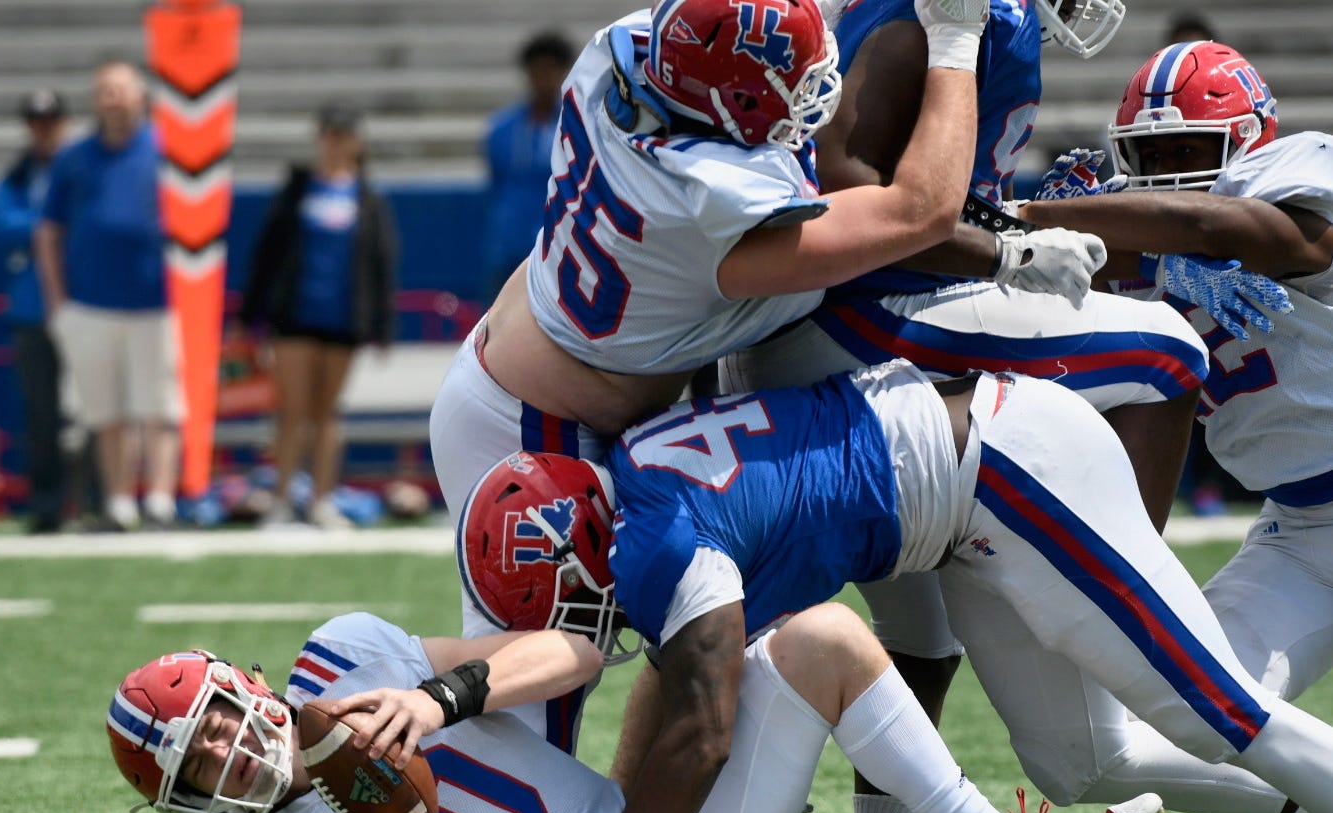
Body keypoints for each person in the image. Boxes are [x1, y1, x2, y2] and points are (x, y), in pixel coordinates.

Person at [707, 3, 1269, 813]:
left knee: (921, 643)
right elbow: (848, 180)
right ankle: (1132, 590)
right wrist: (1002, 245)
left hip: (841, 323)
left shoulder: (969, 21)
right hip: (862, 317)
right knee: (1170, 352)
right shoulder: (946, 22)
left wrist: (1002, 223)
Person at [460, 357, 1333, 813]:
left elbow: (703, 736)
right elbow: (697, 688)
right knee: (1080, 762)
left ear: (572, 562)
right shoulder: (642, 473)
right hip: (959, 513)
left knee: (1219, 712)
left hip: (1008, 463)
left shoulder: (655, 546)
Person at [426, 0, 1012, 749]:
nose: (809, 97)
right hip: (537, 425)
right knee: (534, 706)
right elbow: (921, 211)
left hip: (581, 385)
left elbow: (731, 29)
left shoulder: (627, 50)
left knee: (694, 634)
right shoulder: (708, 200)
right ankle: (401, 727)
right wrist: (956, 40)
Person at [107, 614, 1157, 813]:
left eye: (211, 719)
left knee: (822, 642)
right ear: (188, 805)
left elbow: (579, 647)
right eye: (195, 765)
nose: (225, 750)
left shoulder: (349, 654)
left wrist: (441, 696)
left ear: (240, 681)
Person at [1017, 40, 1333, 813]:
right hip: (1304, 530)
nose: (1168, 174)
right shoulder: (1145, 259)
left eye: (1189, 151)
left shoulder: (1294, 178)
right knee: (1206, 719)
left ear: (1248, 139)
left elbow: (1227, 233)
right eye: (1150, 157)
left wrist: (1047, 220)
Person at [37, 59, 180, 532]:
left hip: (157, 302)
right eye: (105, 91)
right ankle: (120, 503)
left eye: (121, 90)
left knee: (159, 408)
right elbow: (48, 231)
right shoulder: (74, 157)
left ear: (141, 96)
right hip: (92, 303)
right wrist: (58, 301)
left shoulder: (168, 150)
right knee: (107, 411)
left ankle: (160, 501)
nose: (113, 99)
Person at [240, 102, 398, 529]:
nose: (334, 143)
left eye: (343, 135)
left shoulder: (366, 198)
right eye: (328, 134)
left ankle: (322, 500)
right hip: (295, 315)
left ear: (356, 143)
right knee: (292, 408)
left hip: (343, 319)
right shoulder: (297, 190)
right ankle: (282, 499)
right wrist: (251, 311)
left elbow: (380, 264)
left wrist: (381, 326)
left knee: (328, 412)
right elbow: (267, 254)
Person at [0, 88, 83, 534]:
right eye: (36, 122)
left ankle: (97, 503)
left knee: (93, 413)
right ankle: (48, 505)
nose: (44, 130)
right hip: (32, 309)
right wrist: (51, 227)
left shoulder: (83, 167)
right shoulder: (19, 174)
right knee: (41, 415)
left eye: (51, 121)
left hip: (85, 303)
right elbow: (1, 224)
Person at [479, 31, 573, 301]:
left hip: (556, 246)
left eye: (551, 69)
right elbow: (495, 183)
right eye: (537, 69)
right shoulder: (501, 129)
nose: (544, 77)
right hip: (506, 245)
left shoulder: (574, 126)